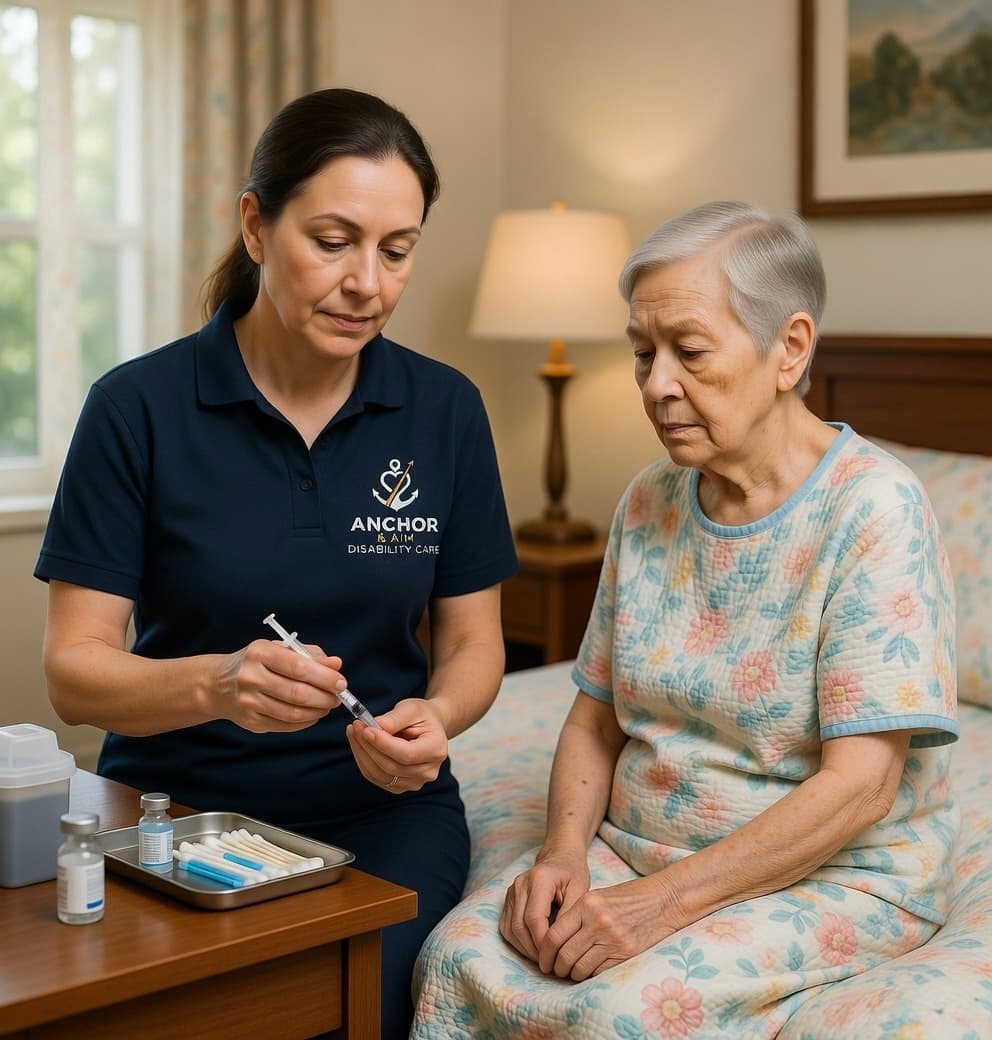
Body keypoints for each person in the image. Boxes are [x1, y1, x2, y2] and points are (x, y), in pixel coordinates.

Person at [411, 201, 959, 1038]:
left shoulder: (874, 509)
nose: (656, 383)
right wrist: (562, 854)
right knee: (460, 954)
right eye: (642, 353)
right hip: (641, 847)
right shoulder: (650, 499)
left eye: (689, 351)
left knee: (621, 1012)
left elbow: (862, 788)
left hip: (830, 873)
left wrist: (656, 907)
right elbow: (594, 718)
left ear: (791, 349)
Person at [35, 88, 516, 1039]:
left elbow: (473, 645)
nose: (366, 284)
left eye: (396, 249)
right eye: (333, 241)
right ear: (256, 225)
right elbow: (72, 672)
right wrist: (219, 685)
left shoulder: (446, 410)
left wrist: (440, 714)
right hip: (175, 817)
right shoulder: (136, 409)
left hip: (383, 818)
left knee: (341, 1009)